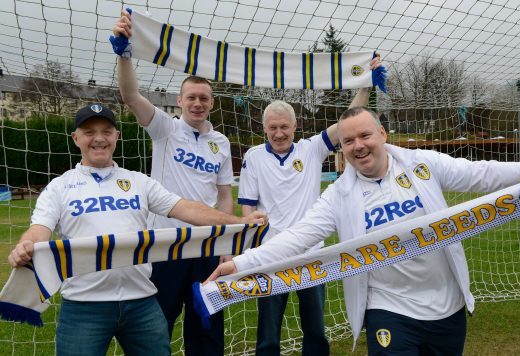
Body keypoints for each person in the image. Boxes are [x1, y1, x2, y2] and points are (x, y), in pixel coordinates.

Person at [209, 106, 520, 355]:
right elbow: (300, 237)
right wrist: (242, 264)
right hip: (388, 308)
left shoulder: (422, 164)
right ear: (341, 149)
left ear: (382, 135)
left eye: (365, 136)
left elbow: (482, 174)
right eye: (349, 141)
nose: (358, 146)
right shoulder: (338, 195)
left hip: (446, 304)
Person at [7, 104, 266, 356]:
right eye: (89, 132)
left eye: (106, 132)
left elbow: (188, 209)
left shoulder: (138, 182)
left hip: (141, 302)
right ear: (76, 138)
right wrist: (26, 245)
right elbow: (39, 230)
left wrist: (240, 223)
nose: (99, 139)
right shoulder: (59, 187)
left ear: (117, 137)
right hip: (84, 305)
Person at [238, 61, 380, 355]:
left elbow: (346, 123)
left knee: (315, 329)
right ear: (264, 128)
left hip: (311, 253)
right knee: (268, 332)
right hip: (272, 256)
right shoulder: (253, 157)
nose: (279, 134)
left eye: (285, 127)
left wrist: (365, 84)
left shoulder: (312, 148)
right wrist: (250, 247)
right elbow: (247, 210)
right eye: (273, 128)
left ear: (295, 127)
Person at [113, 10, 233, 355]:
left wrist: (224, 241)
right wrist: (124, 54)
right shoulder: (166, 128)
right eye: (191, 97)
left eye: (204, 98)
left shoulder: (220, 143)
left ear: (211, 104)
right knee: (156, 325)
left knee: (207, 324)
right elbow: (131, 97)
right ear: (179, 101)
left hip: (206, 246)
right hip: (164, 244)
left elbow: (224, 195)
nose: (197, 103)